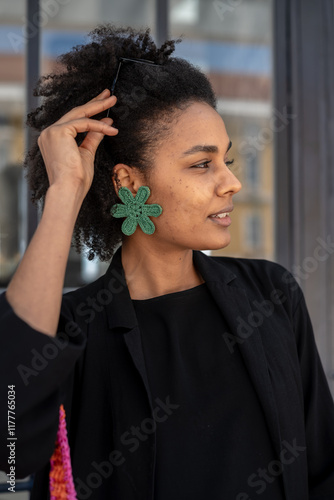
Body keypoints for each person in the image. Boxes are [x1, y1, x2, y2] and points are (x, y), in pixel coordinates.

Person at [0, 24, 333, 500]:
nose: (231, 183)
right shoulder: (77, 329)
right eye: (202, 164)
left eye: (227, 160)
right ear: (130, 184)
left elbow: (321, 466)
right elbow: (10, 453)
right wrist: (64, 193)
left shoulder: (271, 293)